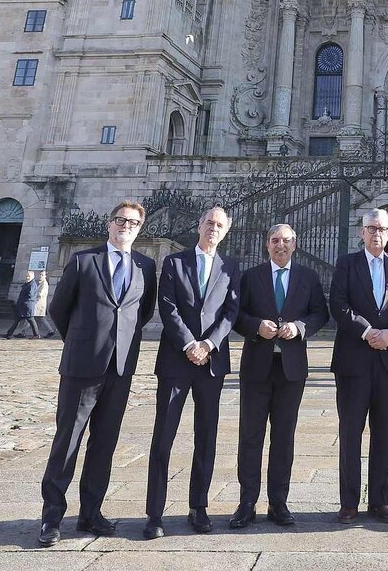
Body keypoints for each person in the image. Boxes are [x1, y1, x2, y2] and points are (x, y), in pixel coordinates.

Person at [37, 200, 156, 548]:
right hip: (81, 366)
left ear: (140, 229)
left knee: (104, 443)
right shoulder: (83, 260)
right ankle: (52, 517)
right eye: (120, 220)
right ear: (109, 223)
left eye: (132, 223)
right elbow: (59, 309)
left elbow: (143, 312)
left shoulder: (146, 266)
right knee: (67, 441)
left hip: (120, 368)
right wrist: (82, 340)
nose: (125, 226)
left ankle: (91, 512)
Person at [143, 206, 241, 540]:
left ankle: (198, 507)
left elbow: (231, 312)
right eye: (209, 222)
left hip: (211, 363)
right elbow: (167, 307)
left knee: (206, 436)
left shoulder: (231, 267)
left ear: (226, 231)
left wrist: (209, 344)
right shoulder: (175, 262)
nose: (213, 228)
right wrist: (189, 344)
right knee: (163, 437)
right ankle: (155, 513)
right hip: (176, 359)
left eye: (219, 225)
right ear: (199, 226)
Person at [229, 222, 328, 529]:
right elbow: (236, 314)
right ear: (267, 245)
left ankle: (278, 502)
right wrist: (255, 326)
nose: (280, 245)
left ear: (294, 244)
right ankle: (247, 502)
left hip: (291, 369)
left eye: (286, 240)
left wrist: (299, 327)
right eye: (275, 240)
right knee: (250, 436)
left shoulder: (308, 277)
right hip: (256, 367)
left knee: (284, 437)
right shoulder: (251, 276)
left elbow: (320, 313)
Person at [329, 208, 388, 524]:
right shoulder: (346, 264)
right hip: (354, 360)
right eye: (371, 228)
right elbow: (338, 304)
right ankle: (349, 501)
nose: (376, 234)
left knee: (384, 432)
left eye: (382, 229)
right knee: (350, 432)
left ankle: (381, 500)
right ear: (362, 232)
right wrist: (367, 332)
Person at [4, 270, 39, 339]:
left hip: (27, 305)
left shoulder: (32, 284)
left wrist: (24, 300)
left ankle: (36, 334)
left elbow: (30, 295)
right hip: (23, 306)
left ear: (32, 277)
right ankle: (9, 334)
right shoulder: (27, 283)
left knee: (31, 320)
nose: (27, 277)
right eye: (26, 276)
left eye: (28, 276)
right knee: (17, 320)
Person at [34, 271, 57, 338]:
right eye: (40, 274)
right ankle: (50, 331)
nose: (40, 276)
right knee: (40, 318)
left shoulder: (44, 283)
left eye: (42, 275)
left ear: (45, 276)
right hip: (38, 303)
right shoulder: (41, 283)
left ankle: (23, 332)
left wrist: (34, 294)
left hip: (39, 303)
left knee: (31, 317)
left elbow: (41, 294)